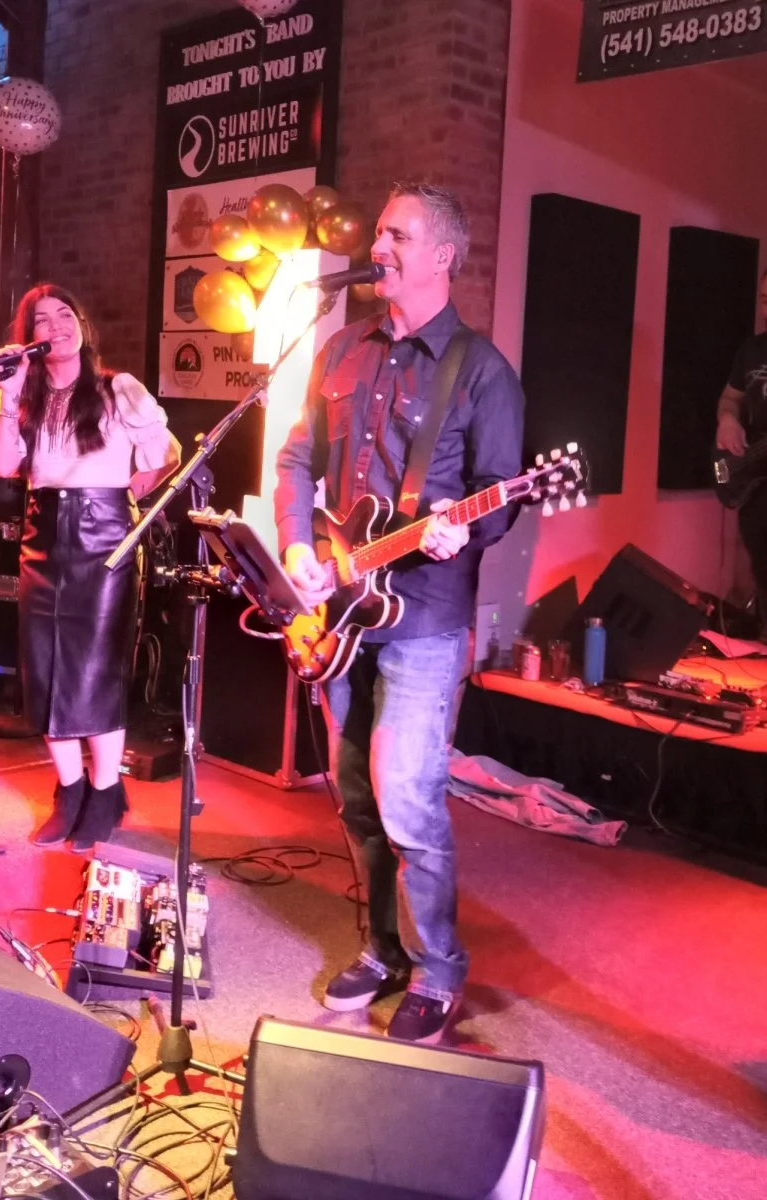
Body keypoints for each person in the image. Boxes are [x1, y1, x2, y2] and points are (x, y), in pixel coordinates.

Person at [274, 181, 524, 1044]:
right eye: (378, 233)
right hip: (343, 610)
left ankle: (437, 968)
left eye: (396, 235)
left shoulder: (482, 371)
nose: (377, 247)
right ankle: (381, 948)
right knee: (352, 798)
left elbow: (500, 496)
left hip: (423, 616)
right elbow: (297, 459)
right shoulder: (343, 348)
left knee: (407, 800)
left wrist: (465, 528)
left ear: (442, 255)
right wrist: (298, 549)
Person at [0, 283, 181, 851]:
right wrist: (10, 394)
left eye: (65, 315)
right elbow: (3, 466)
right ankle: (69, 791)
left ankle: (105, 790)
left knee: (94, 670)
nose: (57, 327)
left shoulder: (117, 389)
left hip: (103, 538)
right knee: (44, 669)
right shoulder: (20, 397)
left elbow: (165, 455)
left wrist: (124, 495)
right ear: (29, 338)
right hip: (43, 537)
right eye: (42, 320)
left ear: (82, 325)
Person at [715, 267, 767, 637]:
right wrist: (727, 420)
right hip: (758, 480)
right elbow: (730, 399)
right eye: (765, 300)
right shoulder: (751, 350)